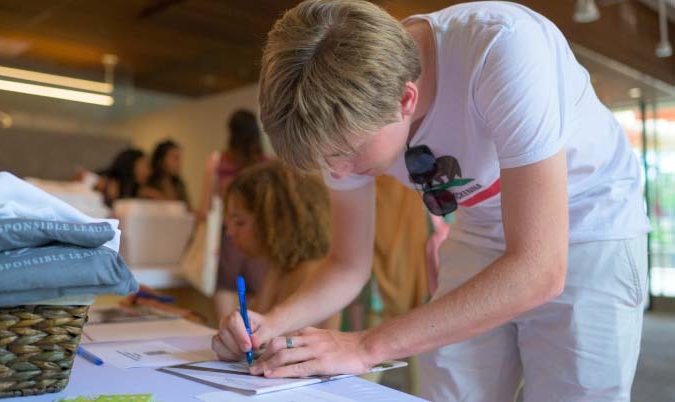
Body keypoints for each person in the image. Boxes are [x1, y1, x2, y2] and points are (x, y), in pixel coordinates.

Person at [213, 2, 650, 401]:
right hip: (481, 225)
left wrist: (367, 346)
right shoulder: (344, 115)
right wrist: (274, 322)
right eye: (327, 162)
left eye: (346, 154)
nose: (339, 173)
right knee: (451, 385)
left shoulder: (503, 48)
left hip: (590, 222)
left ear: (406, 100)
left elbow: (539, 269)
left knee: (573, 388)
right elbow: (348, 265)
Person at [126, 161, 340, 331]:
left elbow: (259, 345)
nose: (229, 232)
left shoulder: (311, 276)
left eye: (239, 222)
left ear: (276, 222)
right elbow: (245, 334)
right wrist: (160, 308)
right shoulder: (279, 269)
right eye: (229, 222)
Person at [198, 109, 270, 320]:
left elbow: (205, 209)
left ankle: (229, 334)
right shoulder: (266, 165)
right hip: (260, 235)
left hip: (228, 235)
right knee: (257, 288)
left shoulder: (217, 161)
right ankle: (254, 341)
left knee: (226, 286)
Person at [140, 139, 189, 206]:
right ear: (161, 160)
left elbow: (187, 211)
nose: (178, 163)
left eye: (179, 159)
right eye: (175, 158)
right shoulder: (147, 183)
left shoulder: (179, 186)